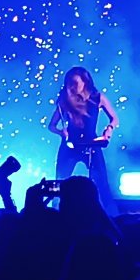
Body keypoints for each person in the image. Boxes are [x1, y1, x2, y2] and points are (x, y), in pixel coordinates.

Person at [47, 66, 119, 214]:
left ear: (85, 82)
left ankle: (111, 218)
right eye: (69, 84)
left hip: (92, 144)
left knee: (101, 184)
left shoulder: (97, 97)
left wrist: (108, 131)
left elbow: (114, 118)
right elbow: (51, 125)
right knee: (61, 183)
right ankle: (56, 217)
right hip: (70, 146)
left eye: (75, 83)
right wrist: (62, 132)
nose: (72, 87)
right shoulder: (64, 101)